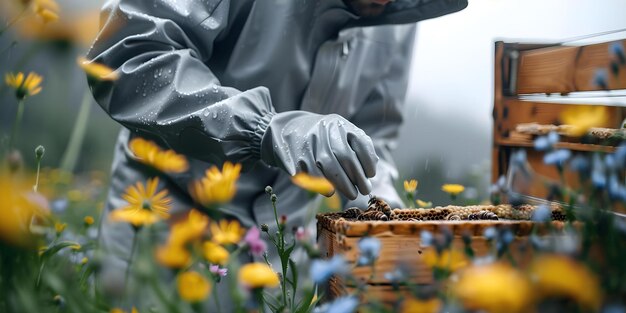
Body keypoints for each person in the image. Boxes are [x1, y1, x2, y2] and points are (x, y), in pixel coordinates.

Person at [86, 0, 467, 306]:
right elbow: (129, 57)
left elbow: (375, 136)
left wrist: (387, 213)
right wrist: (265, 128)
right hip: (166, 235)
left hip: (282, 257)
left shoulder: (400, 11)